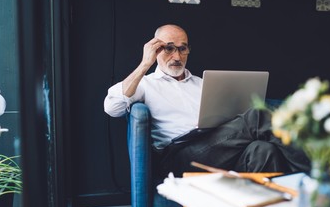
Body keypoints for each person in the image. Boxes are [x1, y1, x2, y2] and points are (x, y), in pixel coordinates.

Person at [104, 24, 310, 180]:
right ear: (155, 50)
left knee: (263, 150)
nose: (177, 56)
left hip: (218, 146)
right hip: (179, 156)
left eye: (182, 49)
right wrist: (144, 64)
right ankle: (317, 173)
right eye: (168, 48)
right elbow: (112, 107)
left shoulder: (204, 83)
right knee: (259, 115)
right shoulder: (146, 84)